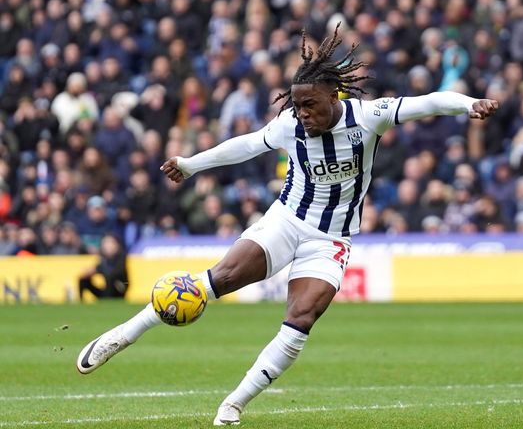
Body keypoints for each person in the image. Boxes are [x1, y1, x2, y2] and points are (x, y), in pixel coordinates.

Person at [75, 25, 498, 426]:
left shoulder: (369, 117)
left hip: (331, 238)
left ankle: (234, 403)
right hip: (287, 221)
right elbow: (243, 146)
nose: (303, 113)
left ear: (333, 95)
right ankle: (123, 335)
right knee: (218, 279)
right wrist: (190, 164)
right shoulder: (289, 126)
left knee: (302, 316)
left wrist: (468, 104)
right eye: (296, 105)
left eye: (310, 104)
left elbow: (428, 102)